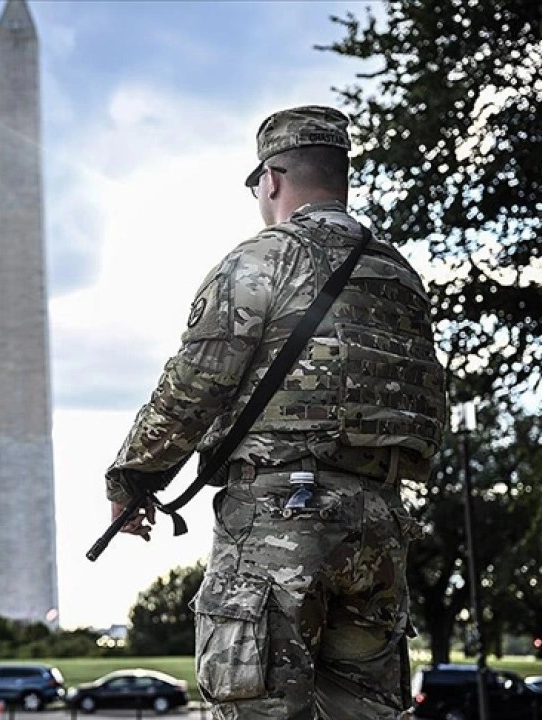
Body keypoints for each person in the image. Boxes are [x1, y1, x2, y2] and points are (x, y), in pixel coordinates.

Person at [105, 105, 447, 720]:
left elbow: (195, 383)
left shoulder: (265, 258)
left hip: (279, 521)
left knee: (257, 707)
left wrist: (131, 477)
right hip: (377, 524)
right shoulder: (401, 275)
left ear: (271, 179)